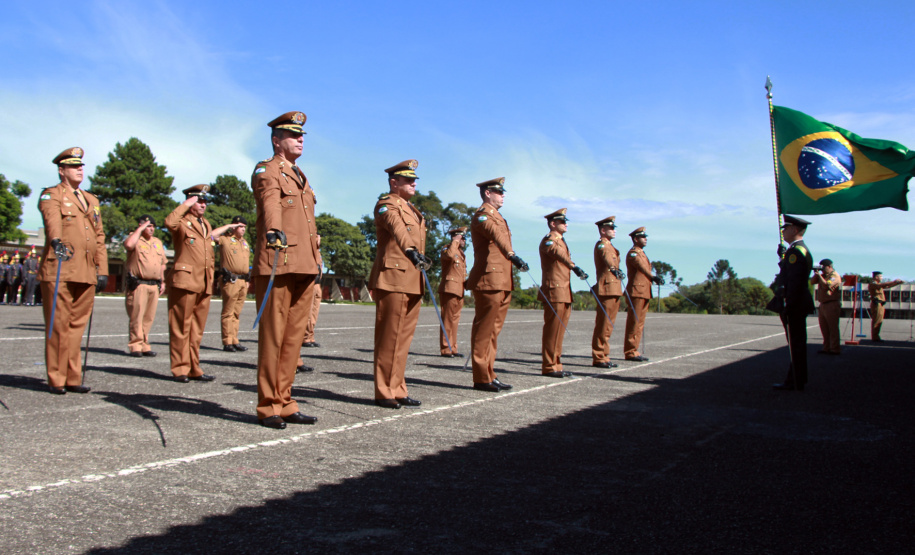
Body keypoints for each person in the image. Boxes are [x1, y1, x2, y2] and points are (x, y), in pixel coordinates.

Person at [251, 111, 320, 429]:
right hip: (278, 262)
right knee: (274, 337)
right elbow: (270, 204)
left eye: (302, 135)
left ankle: (286, 400)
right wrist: (273, 231)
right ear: (277, 141)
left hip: (305, 265)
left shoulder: (301, 176)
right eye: (294, 135)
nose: (301, 139)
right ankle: (268, 406)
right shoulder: (267, 170)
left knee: (293, 339)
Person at [38, 147, 108, 394]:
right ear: (61, 170)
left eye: (81, 166)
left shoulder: (92, 200)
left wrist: (103, 270)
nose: (80, 169)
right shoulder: (52, 195)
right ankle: (57, 378)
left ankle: (73, 377)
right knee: (59, 325)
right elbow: (52, 222)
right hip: (61, 268)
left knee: (77, 325)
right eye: (73, 166)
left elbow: (99, 236)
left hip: (87, 271)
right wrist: (56, 240)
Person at [368, 159, 428, 409]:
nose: (414, 183)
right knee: (389, 337)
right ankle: (384, 390)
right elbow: (397, 228)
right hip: (393, 277)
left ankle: (398, 387)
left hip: (412, 278)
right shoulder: (386, 205)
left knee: (403, 339)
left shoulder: (413, 209)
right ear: (394, 182)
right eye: (408, 179)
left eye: (414, 179)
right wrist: (411, 250)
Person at [165, 184, 239, 384]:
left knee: (197, 329)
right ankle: (180, 368)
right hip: (185, 281)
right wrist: (185, 205)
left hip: (204, 282)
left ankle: (193, 367)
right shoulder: (182, 222)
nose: (203, 204)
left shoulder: (205, 224)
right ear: (190, 201)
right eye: (199, 201)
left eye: (205, 201)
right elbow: (169, 222)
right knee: (181, 326)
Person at [466, 177, 527, 392]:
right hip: (488, 280)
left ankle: (489, 374)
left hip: (502, 280)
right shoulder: (483, 216)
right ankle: (481, 377)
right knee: (484, 331)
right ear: (487, 194)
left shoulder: (499, 217)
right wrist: (512, 254)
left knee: (493, 332)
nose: (503, 195)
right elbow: (496, 236)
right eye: (499, 192)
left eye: (503, 192)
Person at [766, 215, 815, 391]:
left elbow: (793, 280)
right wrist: (783, 258)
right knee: (796, 343)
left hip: (794, 303)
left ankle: (795, 380)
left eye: (786, 228)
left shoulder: (796, 251)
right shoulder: (797, 251)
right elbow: (791, 272)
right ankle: (796, 379)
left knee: (795, 344)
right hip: (797, 302)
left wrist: (787, 301)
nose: (783, 231)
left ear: (794, 230)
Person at [538, 208, 586, 378]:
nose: (566, 224)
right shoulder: (549, 241)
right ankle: (549, 365)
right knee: (553, 329)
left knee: (560, 330)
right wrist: (574, 266)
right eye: (562, 222)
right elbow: (556, 254)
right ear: (553, 224)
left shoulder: (562, 241)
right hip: (554, 290)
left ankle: (556, 364)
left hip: (564, 290)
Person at [124, 215, 167, 357]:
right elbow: (128, 245)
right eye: (148, 226)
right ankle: (135, 345)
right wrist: (140, 229)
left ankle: (144, 344)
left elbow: (162, 264)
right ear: (141, 226)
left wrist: (162, 281)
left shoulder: (157, 242)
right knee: (137, 316)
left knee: (148, 317)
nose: (151, 229)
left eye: (153, 226)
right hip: (138, 284)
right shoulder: (135, 239)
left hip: (153, 285)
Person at [623, 227, 660, 362]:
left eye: (646, 237)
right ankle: (630, 351)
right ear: (635, 239)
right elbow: (641, 267)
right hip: (636, 291)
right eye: (643, 237)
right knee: (634, 322)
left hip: (644, 291)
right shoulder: (633, 253)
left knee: (640, 323)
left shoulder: (642, 253)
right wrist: (653, 276)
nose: (646, 239)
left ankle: (635, 350)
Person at [591, 216, 623, 369]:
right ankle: (599, 356)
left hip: (614, 288)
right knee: (603, 324)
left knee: (609, 325)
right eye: (611, 228)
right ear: (603, 230)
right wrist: (614, 269)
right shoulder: (602, 245)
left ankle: (605, 355)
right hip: (606, 288)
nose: (614, 230)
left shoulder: (610, 246)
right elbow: (607, 259)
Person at [219, 215, 251, 352]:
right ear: (233, 226)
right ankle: (227, 341)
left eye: (244, 227)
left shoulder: (244, 242)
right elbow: (210, 236)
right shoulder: (225, 239)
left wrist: (247, 280)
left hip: (243, 280)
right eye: (239, 226)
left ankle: (234, 339)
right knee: (228, 312)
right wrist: (227, 227)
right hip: (230, 280)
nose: (242, 229)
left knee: (237, 313)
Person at [438, 227, 467, 357]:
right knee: (447, 320)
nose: (464, 241)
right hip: (449, 288)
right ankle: (445, 348)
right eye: (462, 238)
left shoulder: (461, 254)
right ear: (455, 237)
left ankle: (453, 347)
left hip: (460, 290)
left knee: (455, 320)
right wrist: (455, 241)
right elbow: (449, 255)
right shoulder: (447, 249)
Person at [811, 258, 841, 355]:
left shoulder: (834, 276)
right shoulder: (823, 275)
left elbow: (826, 286)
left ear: (829, 267)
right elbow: (812, 282)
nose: (822, 269)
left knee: (832, 328)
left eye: (824, 267)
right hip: (823, 304)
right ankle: (826, 347)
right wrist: (816, 274)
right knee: (824, 328)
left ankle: (835, 348)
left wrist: (820, 276)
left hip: (832, 304)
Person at [868, 271, 904, 342]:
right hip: (876, 304)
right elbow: (882, 285)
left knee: (879, 321)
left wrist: (896, 283)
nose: (882, 278)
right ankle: (875, 337)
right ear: (876, 277)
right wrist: (894, 281)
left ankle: (876, 336)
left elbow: (887, 286)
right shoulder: (873, 283)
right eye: (880, 276)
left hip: (880, 304)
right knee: (877, 320)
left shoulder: (878, 284)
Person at [302, 234, 323, 348]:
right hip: (310, 284)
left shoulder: (317, 252)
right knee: (308, 312)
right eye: (316, 236)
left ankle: (311, 336)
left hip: (318, 284)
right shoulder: (308, 250)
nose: (319, 238)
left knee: (314, 313)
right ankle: (305, 337)